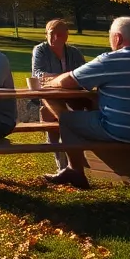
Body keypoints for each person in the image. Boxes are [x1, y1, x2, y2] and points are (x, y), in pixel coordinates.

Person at [40, 16, 130, 189]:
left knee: (68, 120)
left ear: (117, 38)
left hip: (125, 131)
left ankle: (75, 170)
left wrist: (49, 83)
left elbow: (68, 81)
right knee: (89, 111)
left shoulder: (111, 60)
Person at [31, 18, 88, 173]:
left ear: (66, 36)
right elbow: (39, 74)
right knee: (52, 113)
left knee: (82, 111)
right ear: (46, 34)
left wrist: (60, 78)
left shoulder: (74, 52)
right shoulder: (40, 50)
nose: (56, 37)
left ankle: (77, 156)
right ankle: (61, 160)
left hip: (73, 96)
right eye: (52, 33)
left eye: (61, 34)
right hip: (50, 95)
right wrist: (67, 78)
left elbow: (84, 74)